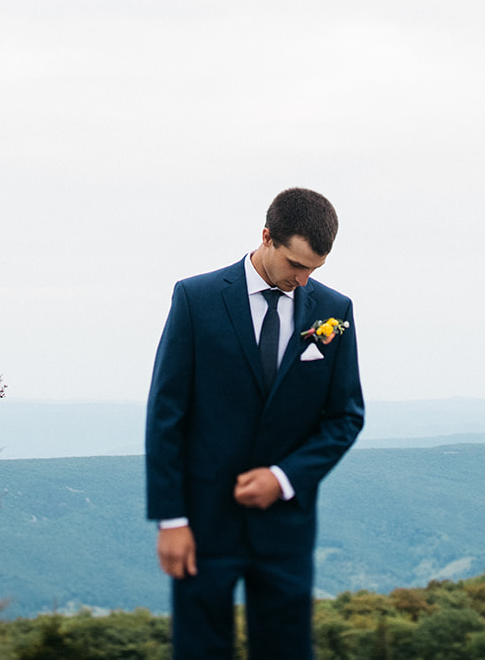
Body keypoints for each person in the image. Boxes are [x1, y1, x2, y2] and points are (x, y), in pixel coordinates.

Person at [145, 187, 365, 659]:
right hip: (202, 524)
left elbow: (346, 417)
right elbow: (167, 413)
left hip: (285, 529)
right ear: (267, 237)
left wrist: (283, 478)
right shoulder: (195, 298)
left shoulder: (335, 312)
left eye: (315, 270)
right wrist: (172, 519)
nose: (305, 281)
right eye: (296, 265)